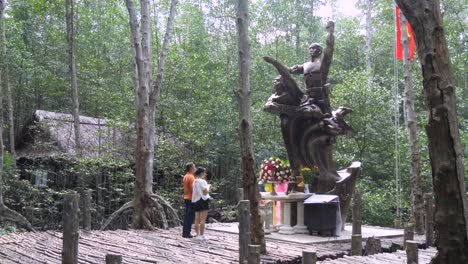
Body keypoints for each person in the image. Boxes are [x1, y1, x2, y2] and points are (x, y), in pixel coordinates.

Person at [191, 167, 211, 240]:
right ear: (202, 173)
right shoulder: (202, 181)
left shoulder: (194, 182)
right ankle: (202, 235)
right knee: (202, 219)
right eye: (204, 172)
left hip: (196, 201)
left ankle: (197, 235)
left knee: (196, 219)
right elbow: (205, 192)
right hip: (203, 200)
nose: (205, 174)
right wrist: (208, 187)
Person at [182, 162, 196, 238]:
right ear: (191, 168)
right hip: (191, 198)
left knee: (187, 216)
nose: (195, 169)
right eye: (194, 167)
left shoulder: (186, 176)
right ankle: (187, 233)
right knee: (190, 217)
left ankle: (185, 232)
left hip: (187, 197)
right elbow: (193, 189)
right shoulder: (191, 177)